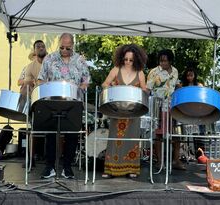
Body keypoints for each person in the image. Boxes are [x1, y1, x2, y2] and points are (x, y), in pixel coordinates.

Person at [37, 33, 90, 179]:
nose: (64, 50)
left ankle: (67, 168)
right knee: (51, 134)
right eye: (62, 47)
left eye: (68, 47)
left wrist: (81, 87)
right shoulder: (50, 58)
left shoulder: (79, 60)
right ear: (58, 44)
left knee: (72, 135)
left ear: (73, 45)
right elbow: (41, 79)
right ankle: (49, 167)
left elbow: (86, 81)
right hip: (53, 101)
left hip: (72, 102)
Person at [101, 44, 148, 178]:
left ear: (136, 60)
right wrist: (114, 87)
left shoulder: (140, 73)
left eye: (130, 60)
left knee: (131, 140)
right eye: (125, 59)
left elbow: (144, 89)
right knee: (114, 139)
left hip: (133, 111)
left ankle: (131, 169)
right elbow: (105, 84)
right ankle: (111, 170)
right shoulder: (116, 69)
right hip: (117, 110)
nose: (127, 62)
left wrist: (141, 91)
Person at [147, 49, 186, 170]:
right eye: (161, 61)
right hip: (159, 105)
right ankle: (159, 162)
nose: (162, 63)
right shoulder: (154, 72)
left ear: (170, 60)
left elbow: (175, 85)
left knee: (177, 134)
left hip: (172, 105)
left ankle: (176, 160)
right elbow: (148, 89)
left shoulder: (175, 71)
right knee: (159, 134)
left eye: (165, 61)